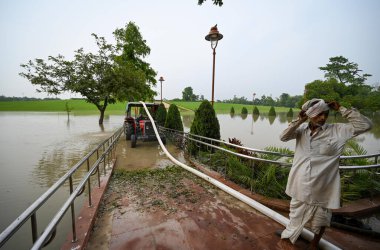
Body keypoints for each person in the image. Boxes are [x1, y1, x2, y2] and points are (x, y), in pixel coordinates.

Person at [279, 99, 372, 249]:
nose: (322, 118)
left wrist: (341, 108)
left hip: (324, 185)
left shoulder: (338, 130)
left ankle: (314, 245)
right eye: (318, 114)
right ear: (309, 115)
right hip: (300, 183)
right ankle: (289, 236)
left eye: (325, 114)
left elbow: (366, 125)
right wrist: (298, 120)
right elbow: (283, 137)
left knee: (321, 218)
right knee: (295, 214)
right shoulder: (301, 130)